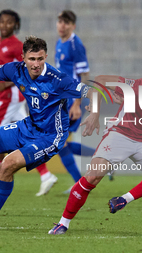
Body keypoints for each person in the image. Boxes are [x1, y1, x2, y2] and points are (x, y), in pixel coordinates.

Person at [0, 36, 90, 230]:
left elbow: (89, 90)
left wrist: (94, 105)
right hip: (29, 126)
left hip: (50, 136)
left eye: (40, 59)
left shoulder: (58, 79)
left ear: (46, 57)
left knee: (8, 163)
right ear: (23, 57)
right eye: (32, 59)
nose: (36, 64)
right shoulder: (15, 69)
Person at [48, 65, 142, 234]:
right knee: (92, 177)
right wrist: (94, 112)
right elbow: (100, 80)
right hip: (120, 135)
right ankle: (63, 223)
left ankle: (124, 200)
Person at [0, 10, 58, 197]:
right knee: (29, 135)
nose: (4, 25)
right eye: (1, 21)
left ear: (16, 25)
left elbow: (24, 70)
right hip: (9, 98)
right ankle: (45, 175)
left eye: (9, 22)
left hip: (11, 96)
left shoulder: (17, 46)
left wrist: (3, 85)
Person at [52, 10, 96, 194]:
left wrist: (77, 104)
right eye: (60, 21)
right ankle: (100, 158)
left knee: (59, 143)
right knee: (60, 143)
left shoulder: (75, 45)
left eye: (66, 22)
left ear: (73, 26)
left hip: (72, 101)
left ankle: (79, 183)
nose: (62, 25)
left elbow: (84, 75)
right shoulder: (59, 43)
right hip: (63, 99)